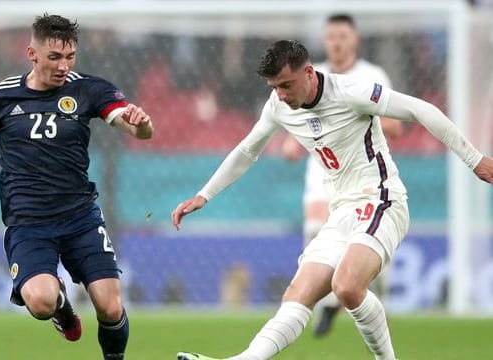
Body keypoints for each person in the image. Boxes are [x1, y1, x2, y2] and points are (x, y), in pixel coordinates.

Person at [172, 40, 493, 360]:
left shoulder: (351, 92)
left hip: (382, 199)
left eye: (286, 85)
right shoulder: (278, 104)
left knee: (347, 286)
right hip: (341, 211)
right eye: (274, 87)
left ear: (309, 73)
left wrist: (475, 159)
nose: (281, 94)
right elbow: (247, 150)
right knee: (297, 295)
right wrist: (204, 194)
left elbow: (421, 110)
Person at [0, 14, 153, 360]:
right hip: (28, 224)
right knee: (41, 302)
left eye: (70, 56)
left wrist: (142, 126)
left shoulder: (88, 89)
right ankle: (63, 309)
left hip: (80, 218)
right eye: (54, 57)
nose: (64, 66)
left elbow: (135, 128)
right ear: (31, 53)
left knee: (110, 307)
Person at [281, 13, 403, 337]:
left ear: (355, 40)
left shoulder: (371, 75)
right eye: (331, 36)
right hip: (323, 172)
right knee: (317, 235)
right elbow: (303, 123)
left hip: (361, 173)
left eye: (342, 36)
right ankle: (328, 303)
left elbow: (396, 123)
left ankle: (352, 301)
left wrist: (359, 113)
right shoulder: (311, 77)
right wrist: (291, 144)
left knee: (364, 248)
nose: (336, 42)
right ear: (324, 41)